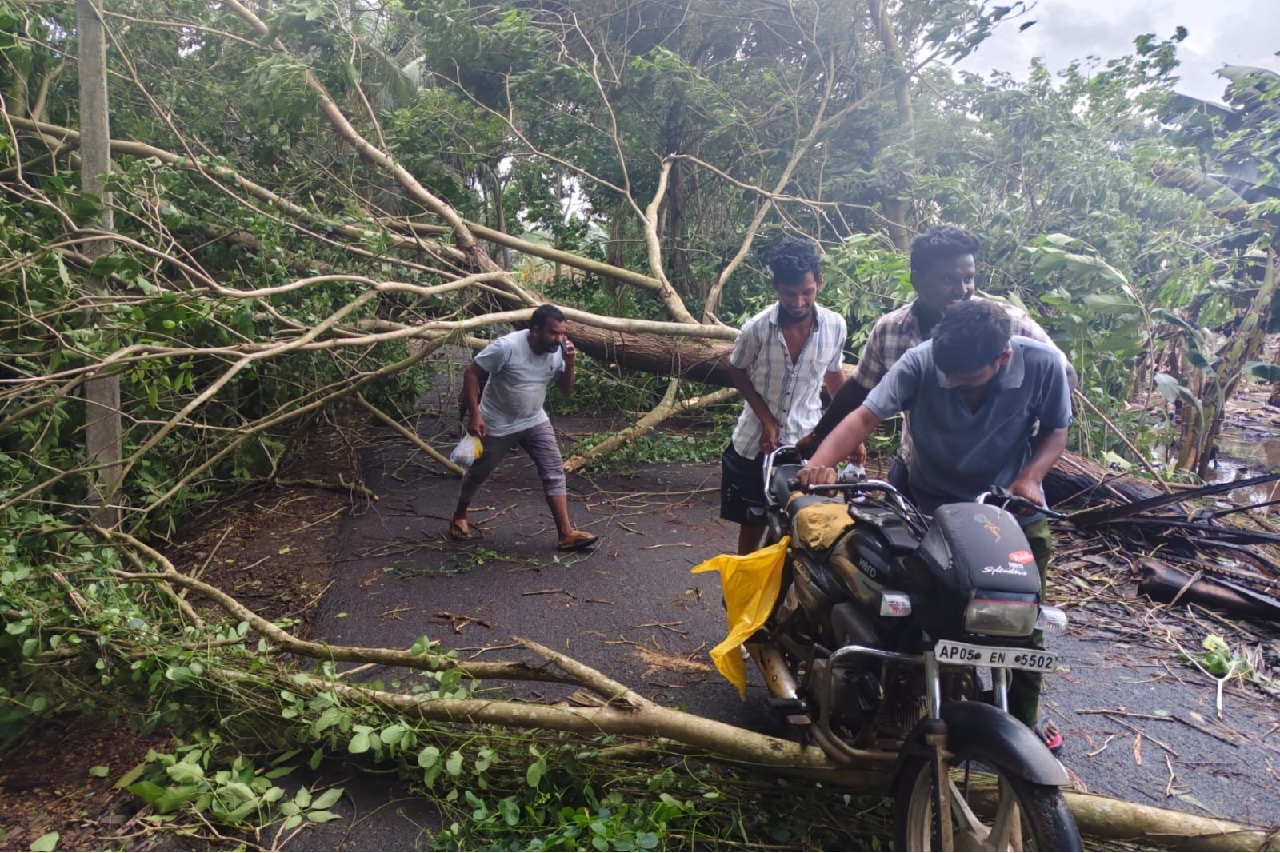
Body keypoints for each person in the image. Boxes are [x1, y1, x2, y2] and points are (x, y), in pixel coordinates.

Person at [798, 300, 1071, 737]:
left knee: (1021, 620)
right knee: (911, 611)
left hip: (1006, 510)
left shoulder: (1044, 364)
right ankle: (896, 710)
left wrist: (1032, 478)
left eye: (968, 379)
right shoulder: (921, 361)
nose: (955, 385)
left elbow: (1056, 429)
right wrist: (818, 465)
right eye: (949, 377)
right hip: (926, 504)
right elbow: (864, 417)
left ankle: (1023, 729)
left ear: (1002, 358)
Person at [797, 225, 1076, 482]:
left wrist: (1018, 423)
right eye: (949, 279)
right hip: (921, 470)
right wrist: (818, 439)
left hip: (1000, 479)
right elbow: (860, 393)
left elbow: (1062, 376)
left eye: (969, 279)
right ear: (917, 280)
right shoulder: (892, 332)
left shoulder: (1009, 325)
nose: (962, 290)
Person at [723, 236, 847, 555]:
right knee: (753, 523)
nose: (799, 302)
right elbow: (737, 368)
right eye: (790, 293)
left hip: (808, 442)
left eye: (807, 292)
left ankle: (781, 579)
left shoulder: (835, 326)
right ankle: (747, 578)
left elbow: (834, 376)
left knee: (802, 521)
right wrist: (766, 419)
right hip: (755, 443)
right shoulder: (756, 329)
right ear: (775, 285)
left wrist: (850, 430)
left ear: (819, 282)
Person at [449, 304, 598, 552]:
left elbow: (566, 390)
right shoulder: (506, 347)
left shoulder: (558, 351)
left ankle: (565, 534)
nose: (559, 339)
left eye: (562, 333)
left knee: (554, 471)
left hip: (534, 420)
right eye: (553, 333)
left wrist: (570, 364)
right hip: (497, 423)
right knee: (479, 473)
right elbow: (471, 373)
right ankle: (459, 515)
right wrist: (475, 415)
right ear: (535, 330)